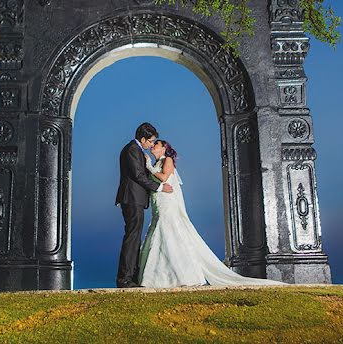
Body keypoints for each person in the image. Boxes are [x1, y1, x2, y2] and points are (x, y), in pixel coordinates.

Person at [137, 139, 286, 288]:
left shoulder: (167, 160)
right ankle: (160, 276)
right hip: (159, 201)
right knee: (160, 230)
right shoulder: (157, 163)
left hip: (168, 202)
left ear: (163, 149)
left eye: (156, 144)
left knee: (168, 229)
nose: (153, 145)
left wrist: (148, 166)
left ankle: (183, 275)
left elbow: (163, 177)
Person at [115, 122, 174, 288]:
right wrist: (160, 187)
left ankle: (131, 277)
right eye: (150, 141)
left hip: (136, 199)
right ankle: (125, 279)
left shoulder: (137, 150)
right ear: (143, 139)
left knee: (134, 238)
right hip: (132, 198)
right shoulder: (132, 149)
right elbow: (138, 175)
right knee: (132, 238)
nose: (151, 145)